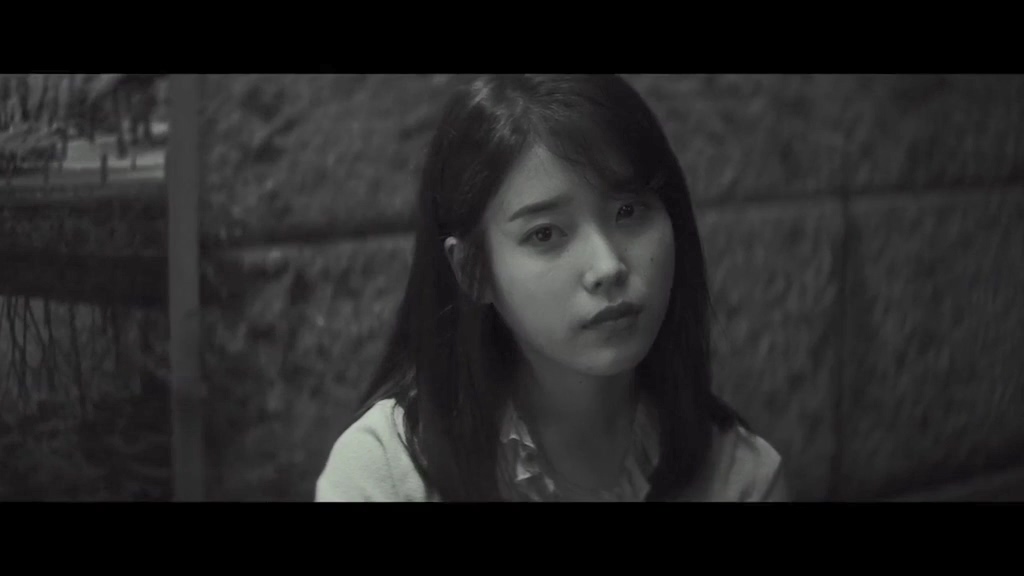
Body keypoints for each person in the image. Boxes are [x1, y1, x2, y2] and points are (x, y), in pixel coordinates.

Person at [315, 74, 788, 502]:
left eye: (628, 211)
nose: (607, 266)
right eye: (545, 233)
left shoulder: (740, 478)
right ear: (473, 271)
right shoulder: (387, 475)